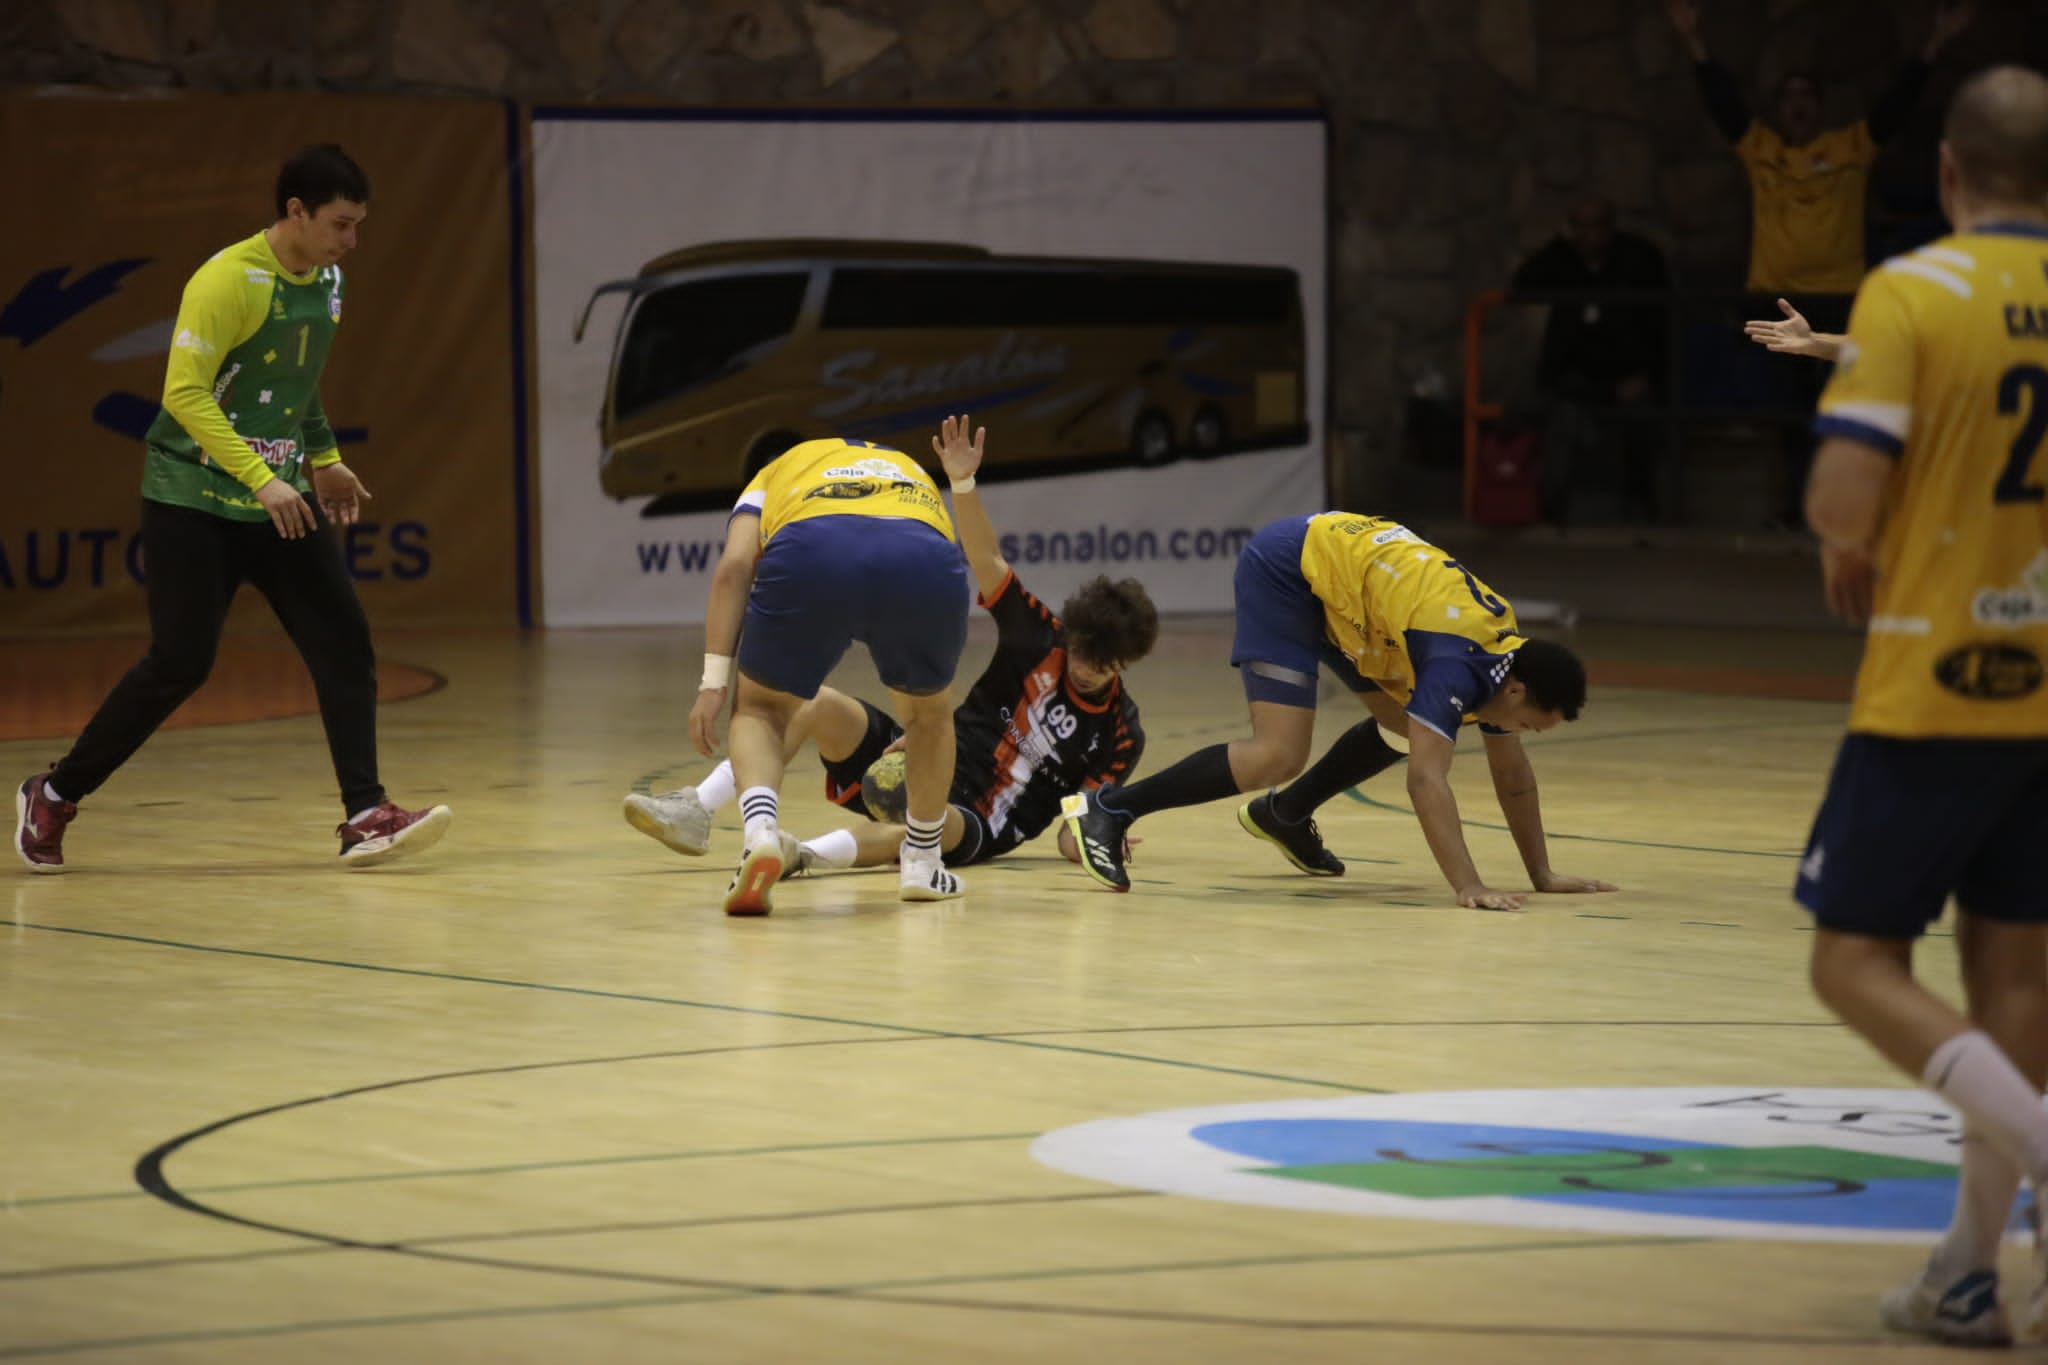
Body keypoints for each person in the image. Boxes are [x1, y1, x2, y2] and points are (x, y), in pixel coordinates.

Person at [1797, 65, 2048, 1345]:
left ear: (1946, 172)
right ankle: (1965, 1269)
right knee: (2012, 969)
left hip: (1938, 680)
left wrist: (1855, 534)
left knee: (1848, 961)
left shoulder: (1915, 289)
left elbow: (1843, 504)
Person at [13, 145, 451, 873]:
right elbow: (184, 395)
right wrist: (261, 478)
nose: (351, 241)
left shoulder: (329, 282)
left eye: (358, 225)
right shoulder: (227, 280)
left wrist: (324, 457)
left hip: (275, 496)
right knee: (180, 662)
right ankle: (54, 792)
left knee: (343, 640)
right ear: (296, 213)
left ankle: (365, 812)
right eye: (341, 224)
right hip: (193, 496)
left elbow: (296, 380)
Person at [629, 416, 1155, 878]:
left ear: (1127, 665)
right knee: (807, 702)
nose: (1087, 670)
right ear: (1073, 633)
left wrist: (1097, 839)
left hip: (976, 823)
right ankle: (699, 806)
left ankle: (797, 855)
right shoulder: (1042, 636)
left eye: (1104, 666)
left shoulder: (1122, 734)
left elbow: (1073, 830)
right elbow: (987, 558)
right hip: (917, 752)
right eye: (1084, 653)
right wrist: (963, 482)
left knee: (919, 831)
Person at [1060, 511, 1617, 910]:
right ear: (1516, 692)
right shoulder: (1456, 661)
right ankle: (1107, 809)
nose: (1515, 735)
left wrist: (1540, 874)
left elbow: (1512, 774)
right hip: (1291, 573)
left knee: (1405, 725)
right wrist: (1468, 886)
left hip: (1356, 601)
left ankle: (1285, 814)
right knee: (1277, 754)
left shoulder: (1504, 658)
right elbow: (1427, 781)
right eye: (1524, 726)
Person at [1663, 0, 1974, 525]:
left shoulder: (1851, 145)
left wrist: (1935, 42)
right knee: (1784, 417)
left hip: (1839, 301)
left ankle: (1854, 509)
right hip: (1776, 301)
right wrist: (1694, 41)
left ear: (1821, 106)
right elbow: (1723, 104)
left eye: (1808, 97)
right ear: (1779, 110)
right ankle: (1791, 509)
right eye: (1789, 98)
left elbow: (1898, 104)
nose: (1799, 105)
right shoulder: (1760, 148)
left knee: (1848, 409)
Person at [685, 427, 970, 915]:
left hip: (814, 546)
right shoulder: (906, 465)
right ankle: (922, 862)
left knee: (761, 709)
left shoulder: (773, 473)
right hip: (921, 553)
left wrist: (713, 683)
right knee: (928, 716)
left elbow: (734, 568)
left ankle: (760, 836)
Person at [1510, 196, 1672, 522]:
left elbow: (1663, 324)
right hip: (1575, 379)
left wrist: (1648, 376)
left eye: (1597, 225)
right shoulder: (1562, 258)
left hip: (1629, 374)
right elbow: (1521, 285)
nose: (1589, 236)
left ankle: (1641, 505)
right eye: (1580, 227)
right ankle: (1552, 509)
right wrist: (1559, 243)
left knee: (1644, 420)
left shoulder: (1638, 259)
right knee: (1553, 416)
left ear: (1611, 227)